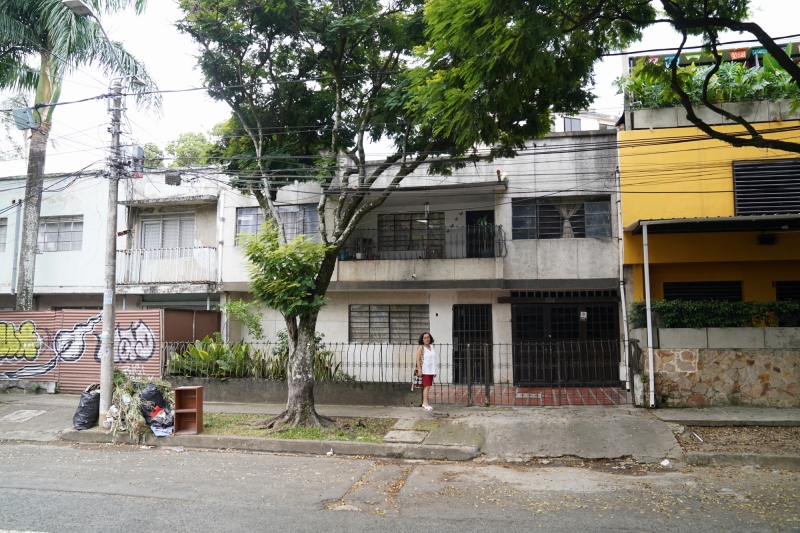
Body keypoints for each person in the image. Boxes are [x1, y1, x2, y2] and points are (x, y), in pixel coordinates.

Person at [415, 332, 436, 411]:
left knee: (428, 386)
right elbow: (417, 359)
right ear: (422, 339)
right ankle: (425, 403)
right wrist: (419, 369)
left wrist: (434, 371)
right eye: (425, 338)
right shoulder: (421, 347)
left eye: (428, 337)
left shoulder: (432, 347)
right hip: (425, 370)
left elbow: (433, 360)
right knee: (426, 387)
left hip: (431, 370)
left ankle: (425, 403)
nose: (427, 339)